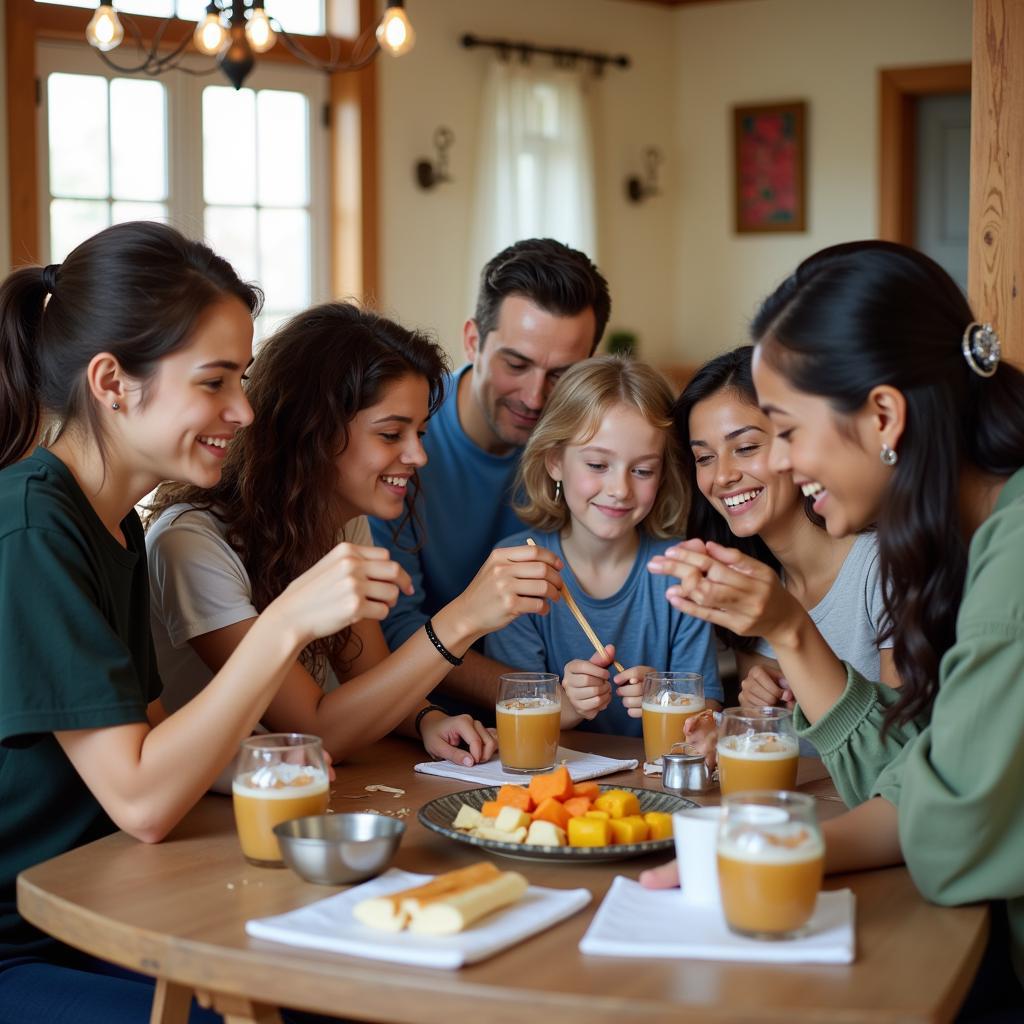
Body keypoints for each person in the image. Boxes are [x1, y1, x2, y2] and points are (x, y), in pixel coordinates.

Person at [0, 223, 409, 1022]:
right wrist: (283, 623)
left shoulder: (112, 526)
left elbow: (154, 741)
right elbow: (144, 802)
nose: (245, 411)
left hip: (108, 906)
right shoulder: (33, 531)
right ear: (112, 381)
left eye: (244, 380)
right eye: (215, 382)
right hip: (28, 941)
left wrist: (279, 767)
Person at [644, 241, 1024, 1014]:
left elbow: (945, 844)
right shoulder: (978, 537)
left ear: (883, 414)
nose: (780, 461)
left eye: (783, 429)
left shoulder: (1012, 562)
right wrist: (788, 630)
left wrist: (761, 849)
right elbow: (918, 780)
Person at [145, 302, 564, 773]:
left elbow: (370, 678)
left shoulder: (343, 522)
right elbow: (315, 732)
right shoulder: (191, 542)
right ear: (315, 432)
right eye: (391, 435)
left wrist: (425, 717)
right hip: (213, 812)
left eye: (420, 433)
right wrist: (463, 618)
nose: (417, 456)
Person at [370, 239, 611, 714]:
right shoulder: (400, 445)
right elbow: (397, 627)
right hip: (427, 718)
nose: (535, 397)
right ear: (473, 340)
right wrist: (543, 698)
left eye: (562, 374)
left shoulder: (595, 447)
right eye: (516, 364)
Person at [658, 346, 898, 755]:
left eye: (746, 447)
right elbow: (785, 747)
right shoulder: (751, 582)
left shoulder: (884, 567)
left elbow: (898, 752)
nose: (723, 475)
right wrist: (741, 721)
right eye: (704, 458)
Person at [485, 356, 722, 734]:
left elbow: (707, 709)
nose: (619, 490)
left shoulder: (679, 572)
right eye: (597, 465)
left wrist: (666, 700)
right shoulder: (521, 569)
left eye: (642, 470)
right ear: (555, 461)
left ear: (663, 474)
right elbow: (516, 712)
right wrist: (566, 704)